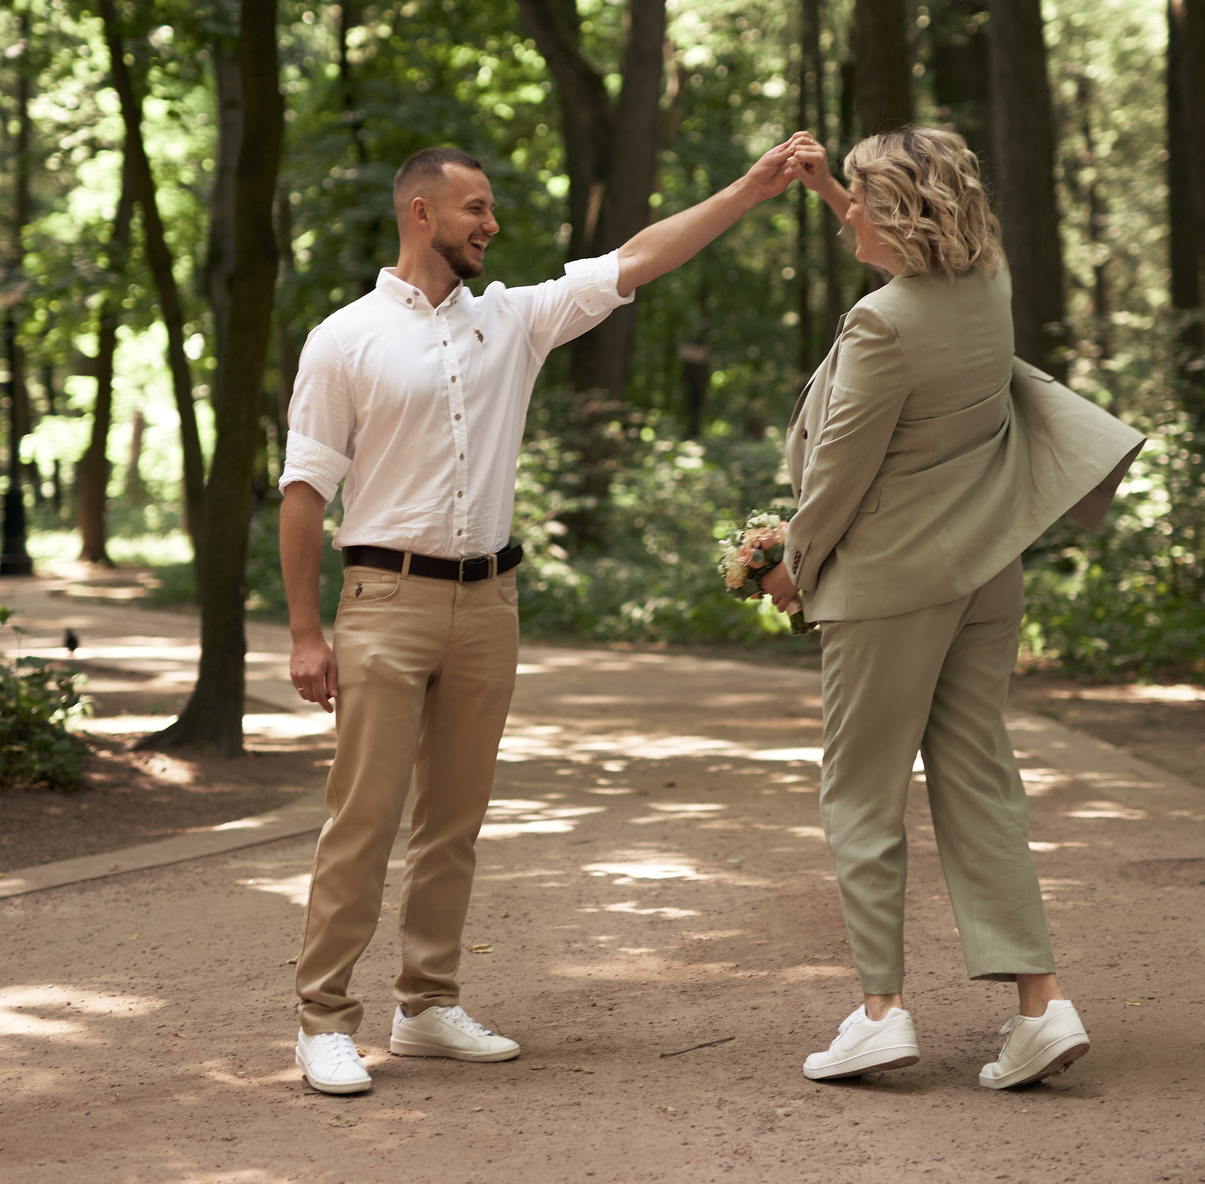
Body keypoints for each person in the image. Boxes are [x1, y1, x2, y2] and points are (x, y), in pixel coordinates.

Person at [279, 133, 824, 1095]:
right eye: (476, 207)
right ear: (422, 213)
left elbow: (641, 258)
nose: (492, 223)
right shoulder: (344, 337)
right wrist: (305, 632)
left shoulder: (514, 322)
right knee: (362, 818)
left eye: (489, 208)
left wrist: (751, 185)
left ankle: (427, 1006)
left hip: (491, 600)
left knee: (455, 820)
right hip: (385, 599)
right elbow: (305, 491)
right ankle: (324, 1018)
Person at [760, 125, 1142, 1092]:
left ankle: (880, 1012)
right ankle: (1040, 1007)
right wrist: (823, 189)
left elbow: (841, 472)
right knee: (977, 780)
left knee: (861, 793)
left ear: (891, 210)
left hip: (889, 583)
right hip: (986, 567)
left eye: (857, 196)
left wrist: (790, 561)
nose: (848, 212)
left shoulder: (880, 324)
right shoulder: (989, 287)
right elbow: (905, 252)